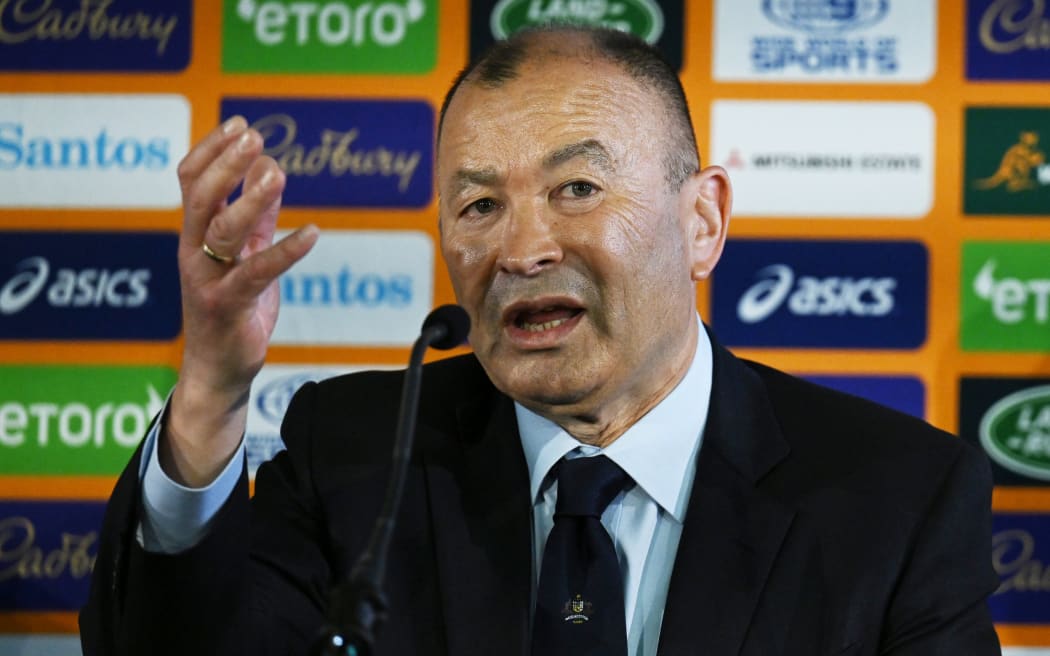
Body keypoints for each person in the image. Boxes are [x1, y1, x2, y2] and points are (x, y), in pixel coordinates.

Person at [79, 26, 1001, 656]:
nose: (520, 250)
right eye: (479, 205)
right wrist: (211, 392)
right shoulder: (356, 454)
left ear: (703, 224)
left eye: (578, 190)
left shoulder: (898, 497)